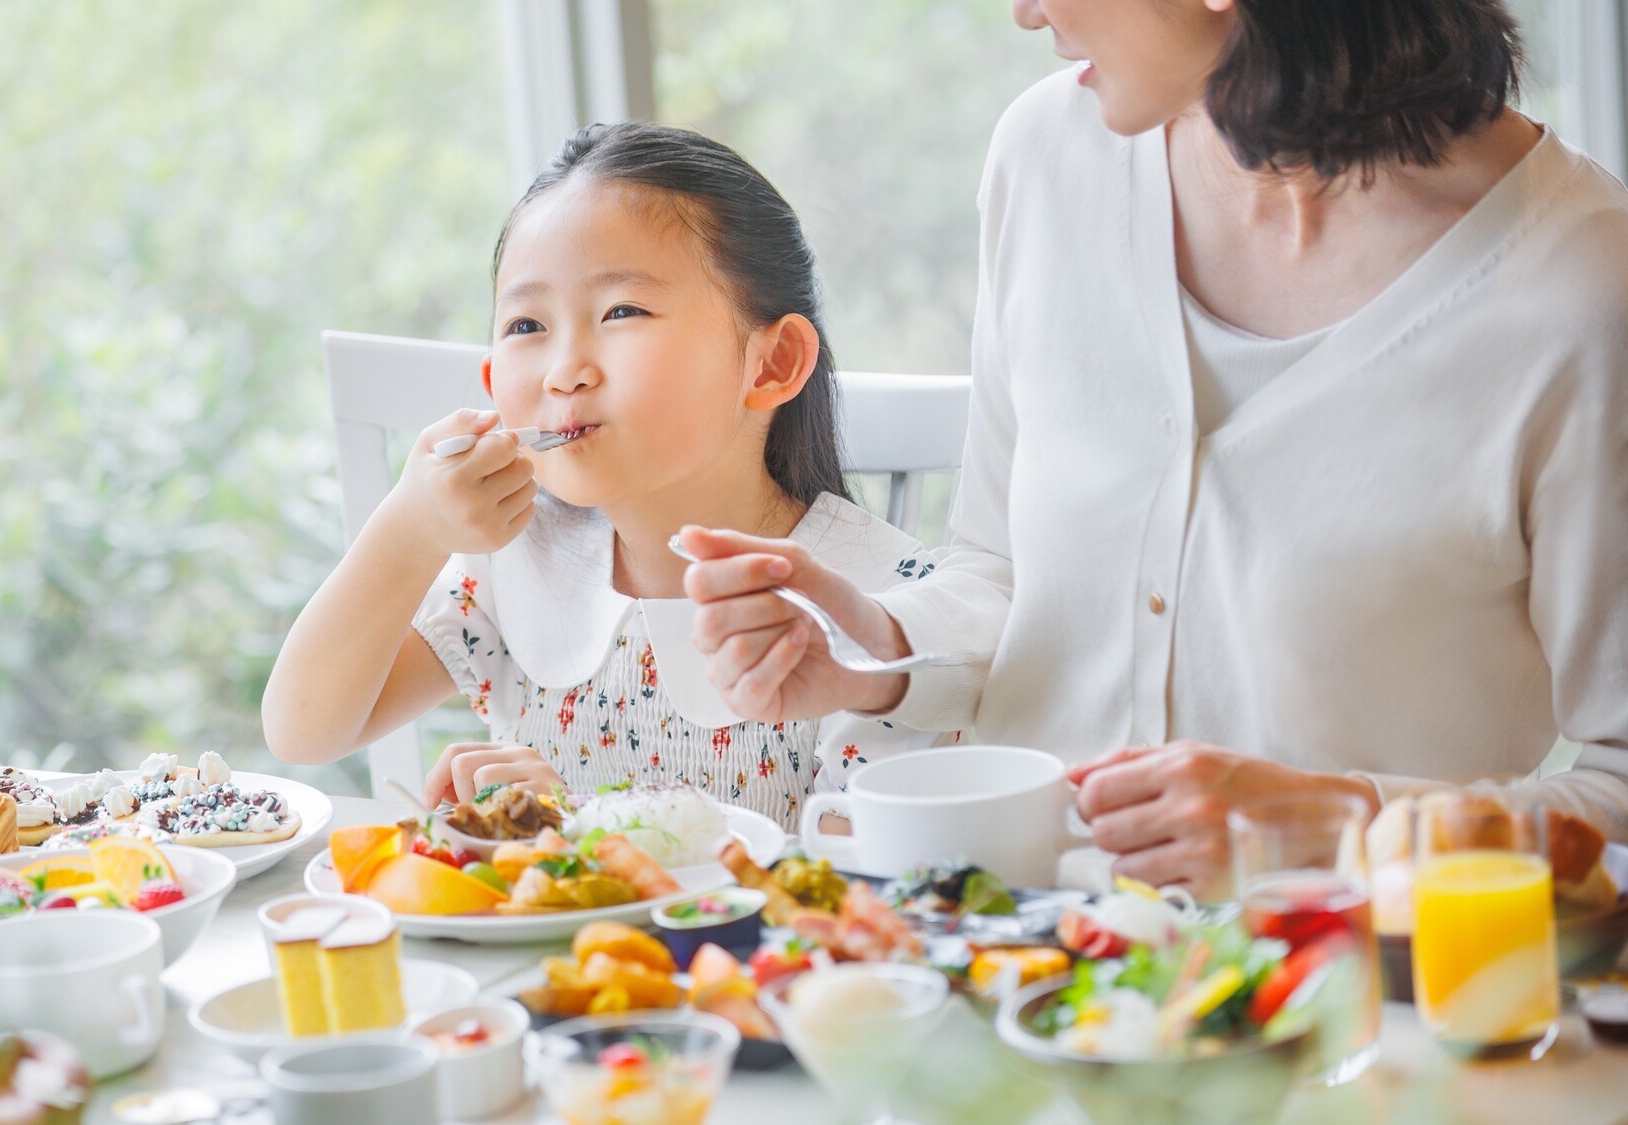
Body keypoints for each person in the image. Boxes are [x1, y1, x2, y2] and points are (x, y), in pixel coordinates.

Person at [681, 0, 1628, 893]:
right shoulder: (1046, 156)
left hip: (1355, 1022)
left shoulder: (1580, 291)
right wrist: (879, 650)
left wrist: (1338, 825)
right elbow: (1004, 566)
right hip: (1021, 982)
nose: (1024, 9)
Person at [263, 122, 953, 829]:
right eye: (527, 325)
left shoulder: (885, 614)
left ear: (771, 364)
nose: (565, 370)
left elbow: (853, 897)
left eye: (622, 310)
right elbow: (304, 730)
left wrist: (582, 822)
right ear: (492, 379)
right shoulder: (516, 558)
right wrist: (409, 529)